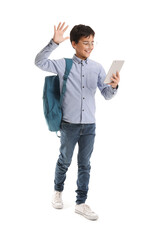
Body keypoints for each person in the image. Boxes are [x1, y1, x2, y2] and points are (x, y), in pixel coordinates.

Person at [35, 22, 120, 221]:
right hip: (69, 124)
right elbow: (39, 62)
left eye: (92, 42)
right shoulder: (63, 64)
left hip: (89, 125)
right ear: (73, 43)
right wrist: (53, 43)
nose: (90, 47)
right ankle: (57, 191)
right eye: (85, 42)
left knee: (85, 164)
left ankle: (81, 203)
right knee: (64, 160)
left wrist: (115, 86)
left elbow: (106, 95)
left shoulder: (98, 67)